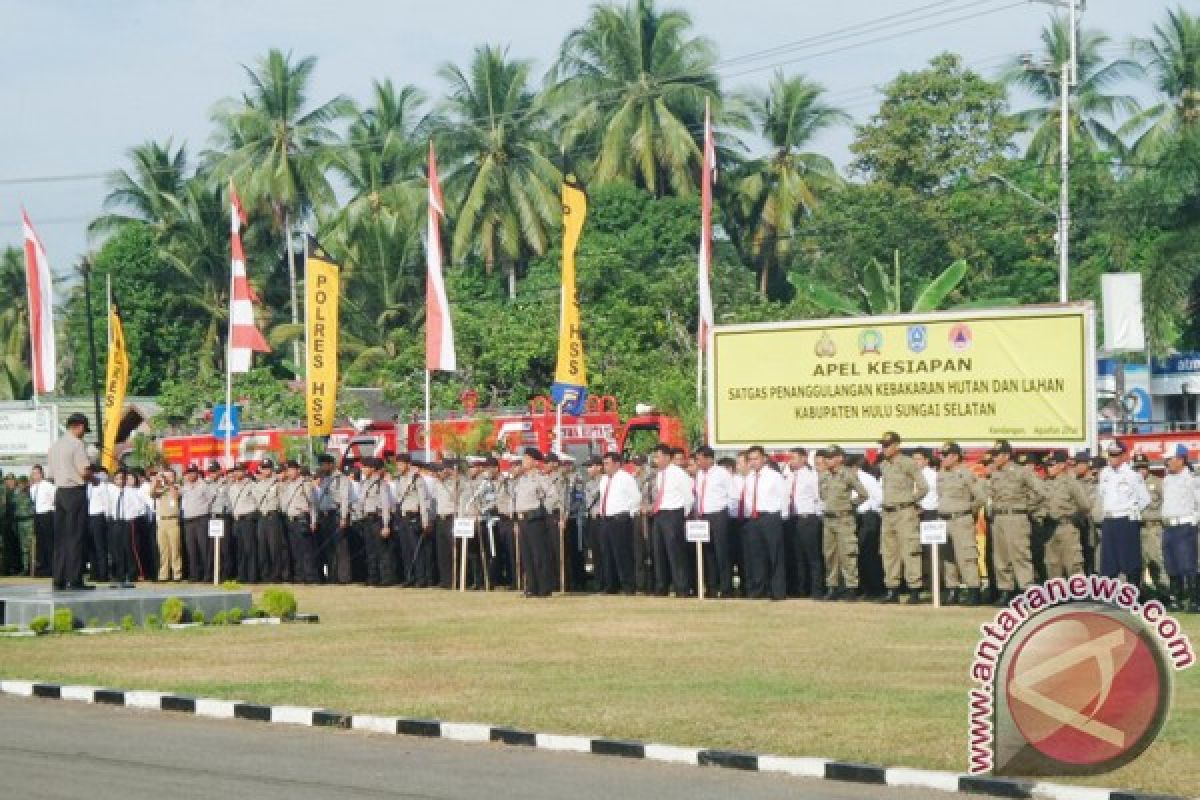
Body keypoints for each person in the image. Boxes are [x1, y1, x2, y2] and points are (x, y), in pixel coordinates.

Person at [985, 439, 1042, 606]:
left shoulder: (1021, 472)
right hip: (999, 518)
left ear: (1006, 455)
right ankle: (1005, 591)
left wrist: (1026, 507)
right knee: (1001, 557)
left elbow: (1040, 491)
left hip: (1016, 517)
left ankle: (1027, 591)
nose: (994, 458)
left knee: (1020, 555)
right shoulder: (995, 473)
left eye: (997, 455)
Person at [877, 431, 929, 604]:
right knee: (889, 552)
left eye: (888, 445)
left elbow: (923, 487)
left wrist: (909, 501)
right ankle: (892, 589)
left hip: (904, 512)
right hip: (888, 512)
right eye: (883, 445)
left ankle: (914, 589)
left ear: (897, 445)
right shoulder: (884, 465)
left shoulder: (908, 463)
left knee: (910, 550)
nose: (884, 449)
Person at [45, 413, 92, 590]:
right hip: (75, 492)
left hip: (60, 492)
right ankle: (75, 578)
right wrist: (94, 478)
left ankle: (59, 578)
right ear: (79, 426)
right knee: (76, 537)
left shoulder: (55, 446)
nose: (84, 433)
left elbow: (50, 475)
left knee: (61, 538)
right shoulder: (77, 444)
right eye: (84, 430)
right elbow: (84, 471)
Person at [936, 442, 985, 606]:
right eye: (941, 455)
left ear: (955, 457)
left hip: (961, 520)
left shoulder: (966, 474)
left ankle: (973, 591)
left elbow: (981, 497)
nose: (942, 458)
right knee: (947, 557)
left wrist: (968, 510)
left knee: (966, 556)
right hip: (944, 519)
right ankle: (952, 590)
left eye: (945, 455)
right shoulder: (941, 474)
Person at [818, 445, 867, 601]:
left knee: (848, 554)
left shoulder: (848, 474)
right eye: (826, 457)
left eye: (831, 457)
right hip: (829, 519)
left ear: (840, 458)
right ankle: (832, 586)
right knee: (830, 555)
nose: (828, 460)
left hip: (844, 519)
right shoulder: (824, 476)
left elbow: (863, 494)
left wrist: (850, 505)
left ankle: (851, 587)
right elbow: (823, 496)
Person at [1097, 442, 1151, 582]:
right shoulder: (1104, 473)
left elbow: (1145, 499)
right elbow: (1102, 496)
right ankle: (1110, 597)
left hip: (1125, 520)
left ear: (1123, 456)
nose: (1112, 458)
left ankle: (1133, 596)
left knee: (1130, 562)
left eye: (1116, 455)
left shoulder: (1133, 475)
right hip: (1109, 520)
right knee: (1108, 563)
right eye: (1110, 455)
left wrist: (1131, 510)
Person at [1035, 452, 1093, 581]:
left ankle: (1079, 596)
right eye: (1047, 465)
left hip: (1067, 528)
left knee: (1073, 564)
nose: (1048, 468)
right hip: (1049, 529)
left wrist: (1073, 517)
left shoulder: (1071, 483)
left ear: (1061, 465)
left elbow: (1085, 505)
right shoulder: (1045, 483)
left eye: (1052, 465)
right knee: (1052, 565)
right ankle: (1057, 597)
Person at [738, 446, 786, 600]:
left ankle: (777, 591)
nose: (753, 462)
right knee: (756, 556)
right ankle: (759, 589)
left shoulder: (774, 476)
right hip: (753, 518)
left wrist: (781, 517)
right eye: (750, 459)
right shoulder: (750, 477)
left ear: (764, 458)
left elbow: (783, 497)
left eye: (756, 458)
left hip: (770, 517)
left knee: (775, 555)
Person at [648, 442, 693, 597]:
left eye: (658, 456)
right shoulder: (660, 474)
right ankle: (662, 586)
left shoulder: (679, 474)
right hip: (660, 514)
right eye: (655, 457)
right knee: (658, 551)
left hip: (674, 514)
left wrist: (682, 515)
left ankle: (682, 588)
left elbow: (688, 497)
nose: (656, 460)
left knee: (676, 553)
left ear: (667, 457)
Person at [1160, 445, 1200, 612]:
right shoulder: (1167, 479)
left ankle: (1194, 600)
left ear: (1181, 459)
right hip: (1168, 527)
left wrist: (1193, 521)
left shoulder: (1191, 479)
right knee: (1171, 564)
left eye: (1170, 458)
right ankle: (1175, 599)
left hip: (1184, 526)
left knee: (1188, 565)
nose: (1167, 462)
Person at [693, 446, 735, 598]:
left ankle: (726, 588)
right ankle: (711, 587)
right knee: (707, 553)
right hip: (703, 516)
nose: (698, 462)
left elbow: (733, 495)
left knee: (721, 553)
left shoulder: (722, 473)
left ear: (710, 458)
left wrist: (726, 514)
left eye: (700, 459)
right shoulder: (699, 475)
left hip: (718, 515)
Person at [597, 452, 641, 595]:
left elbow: (635, 497)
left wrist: (628, 514)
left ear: (616, 464)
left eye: (607, 463)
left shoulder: (625, 478)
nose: (605, 467)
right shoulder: (604, 479)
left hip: (620, 519)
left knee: (622, 553)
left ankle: (628, 585)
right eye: (604, 464)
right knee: (607, 553)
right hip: (606, 519)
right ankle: (611, 585)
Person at [514, 448, 554, 597]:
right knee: (527, 555)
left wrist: (543, 512)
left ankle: (544, 587)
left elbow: (551, 496)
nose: (523, 461)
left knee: (539, 555)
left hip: (535, 519)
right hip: (522, 519)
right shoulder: (522, 478)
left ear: (535, 461)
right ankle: (532, 586)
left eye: (526, 458)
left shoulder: (540, 478)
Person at [785, 447, 822, 599]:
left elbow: (818, 498)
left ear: (803, 459)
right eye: (790, 458)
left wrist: (817, 517)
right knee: (797, 557)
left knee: (812, 557)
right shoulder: (789, 476)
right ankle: (801, 589)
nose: (790, 461)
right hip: (793, 519)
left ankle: (816, 590)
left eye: (794, 458)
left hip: (808, 518)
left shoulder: (811, 476)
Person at [391, 454, 431, 587]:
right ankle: (409, 577)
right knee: (405, 550)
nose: (399, 467)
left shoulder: (417, 479)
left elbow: (424, 501)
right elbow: (398, 498)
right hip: (402, 517)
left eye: (401, 464)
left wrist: (425, 521)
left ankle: (421, 578)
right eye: (398, 464)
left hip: (414, 517)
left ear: (408, 464)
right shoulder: (399, 479)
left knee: (417, 549)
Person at [355, 457, 394, 586]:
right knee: (370, 550)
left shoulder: (381, 484)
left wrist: (386, 525)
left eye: (365, 467)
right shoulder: (364, 483)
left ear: (372, 468)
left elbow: (386, 505)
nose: (363, 469)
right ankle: (372, 577)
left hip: (378, 519)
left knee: (381, 551)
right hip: (367, 520)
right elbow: (360, 502)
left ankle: (385, 578)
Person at [1134, 454, 1168, 598]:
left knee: (1157, 561)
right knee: (1138, 563)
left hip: (1154, 527)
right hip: (1137, 527)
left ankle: (1164, 592)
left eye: (1143, 467)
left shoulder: (1158, 482)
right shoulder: (1131, 483)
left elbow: (1167, 502)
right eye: (1138, 467)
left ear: (1148, 467)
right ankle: (1140, 594)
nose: (1141, 470)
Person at [313, 455, 351, 584]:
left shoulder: (342, 479)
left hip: (336, 514)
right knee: (329, 548)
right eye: (321, 465)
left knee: (340, 547)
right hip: (325, 516)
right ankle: (332, 576)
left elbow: (345, 499)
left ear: (331, 464)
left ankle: (343, 577)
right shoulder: (324, 479)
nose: (322, 467)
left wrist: (344, 517)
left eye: (324, 464)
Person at [280, 460, 318, 584]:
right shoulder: (286, 485)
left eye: (292, 469)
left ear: (298, 470)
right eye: (288, 470)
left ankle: (309, 576)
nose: (290, 472)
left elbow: (312, 503)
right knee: (295, 550)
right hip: (290, 519)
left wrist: (313, 521)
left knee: (306, 550)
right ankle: (299, 575)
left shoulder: (305, 484)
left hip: (302, 519)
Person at [852, 455, 885, 597]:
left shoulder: (867, 479)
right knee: (858, 554)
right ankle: (863, 587)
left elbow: (879, 498)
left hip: (868, 517)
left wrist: (870, 509)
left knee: (868, 554)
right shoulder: (850, 478)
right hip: (855, 517)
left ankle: (875, 588)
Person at [105, 470, 142, 586]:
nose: (120, 481)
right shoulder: (111, 491)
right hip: (115, 521)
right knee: (116, 549)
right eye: (117, 478)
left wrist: (130, 516)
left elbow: (139, 506)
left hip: (127, 521)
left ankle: (132, 574)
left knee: (128, 548)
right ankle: (119, 574)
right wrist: (109, 516)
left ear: (125, 480)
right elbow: (108, 505)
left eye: (122, 478)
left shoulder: (130, 491)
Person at [433, 461, 463, 589]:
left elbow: (461, 494)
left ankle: (456, 579)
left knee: (454, 550)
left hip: (452, 518)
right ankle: (445, 580)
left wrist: (455, 477)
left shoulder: (456, 482)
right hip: (440, 518)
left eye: (443, 470)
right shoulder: (437, 484)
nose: (440, 473)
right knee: (442, 552)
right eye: (439, 470)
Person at [180, 465, 213, 582]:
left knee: (204, 548)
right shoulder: (185, 487)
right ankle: (194, 575)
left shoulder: (204, 485)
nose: (190, 475)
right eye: (188, 473)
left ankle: (207, 574)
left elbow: (210, 500)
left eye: (192, 472)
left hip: (201, 519)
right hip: (188, 521)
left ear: (197, 473)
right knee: (191, 549)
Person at [228, 464, 258, 583]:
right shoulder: (232, 487)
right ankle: (242, 575)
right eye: (235, 471)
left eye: (239, 471)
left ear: (244, 472)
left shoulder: (251, 485)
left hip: (248, 519)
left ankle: (252, 576)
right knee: (239, 549)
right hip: (237, 520)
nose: (237, 473)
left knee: (249, 549)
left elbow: (257, 501)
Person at [153, 468, 184, 581]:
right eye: (165, 476)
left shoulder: (177, 487)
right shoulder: (161, 489)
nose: (166, 478)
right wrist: (156, 480)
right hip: (162, 521)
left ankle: (177, 573)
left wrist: (170, 483)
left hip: (173, 521)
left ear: (174, 477)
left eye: (170, 476)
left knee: (175, 549)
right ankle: (163, 574)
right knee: (163, 550)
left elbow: (176, 496)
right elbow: (152, 493)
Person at [29, 464, 56, 579]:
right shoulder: (32, 488)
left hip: (47, 515)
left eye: (36, 473)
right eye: (33, 473)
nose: (34, 475)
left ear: (41, 474)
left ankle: (52, 568)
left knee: (49, 543)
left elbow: (55, 500)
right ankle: (43, 567)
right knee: (40, 543)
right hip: (37, 515)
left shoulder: (49, 486)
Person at [86, 466, 110, 583]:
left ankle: (103, 574)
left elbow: (106, 503)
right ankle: (93, 573)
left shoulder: (102, 486)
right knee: (91, 547)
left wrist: (106, 519)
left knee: (100, 547)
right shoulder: (89, 486)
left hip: (99, 516)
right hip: (89, 517)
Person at [13, 476, 35, 577]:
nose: (22, 485)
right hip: (20, 522)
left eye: (23, 483)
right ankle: (25, 568)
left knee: (31, 546)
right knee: (23, 547)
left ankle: (33, 568)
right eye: (20, 483)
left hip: (29, 521)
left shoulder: (31, 492)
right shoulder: (16, 494)